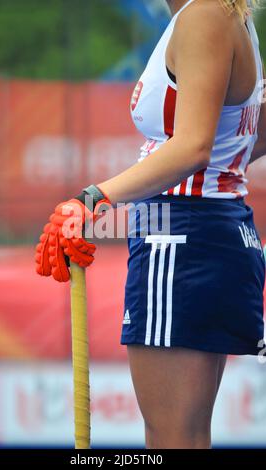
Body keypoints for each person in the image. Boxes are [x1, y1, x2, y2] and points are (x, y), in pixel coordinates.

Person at [35, 0, 266, 449]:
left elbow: (194, 148)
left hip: (182, 240)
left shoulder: (205, 14)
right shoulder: (224, 14)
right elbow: (240, 137)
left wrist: (93, 200)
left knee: (172, 440)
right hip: (206, 233)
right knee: (185, 437)